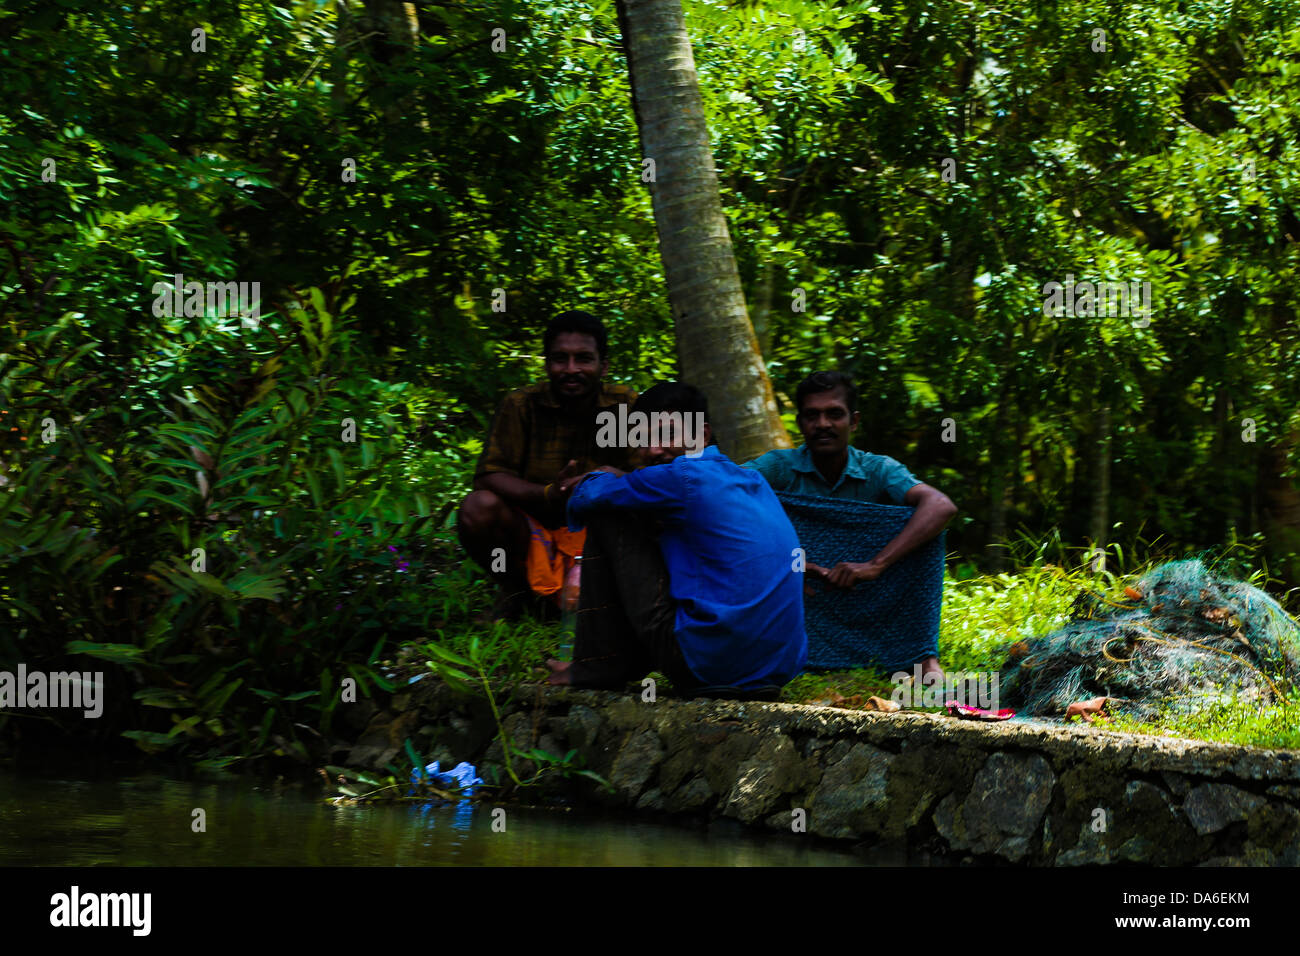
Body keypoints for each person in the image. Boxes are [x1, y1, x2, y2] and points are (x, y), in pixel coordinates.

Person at [545, 382, 807, 694]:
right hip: (776, 670)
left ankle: (596, 666)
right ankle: (625, 661)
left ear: (703, 435)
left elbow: (589, 496)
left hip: (708, 666)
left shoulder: (682, 476)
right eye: (642, 437)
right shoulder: (752, 480)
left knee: (608, 512)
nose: (653, 450)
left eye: (667, 433)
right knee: (642, 513)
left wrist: (599, 476)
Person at [744, 370, 956, 682]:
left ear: (853, 421)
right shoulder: (777, 467)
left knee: (926, 530)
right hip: (800, 593)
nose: (823, 424)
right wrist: (785, 562)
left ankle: (922, 658)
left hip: (865, 593)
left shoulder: (879, 469)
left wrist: (874, 565)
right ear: (800, 423)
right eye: (812, 416)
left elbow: (941, 506)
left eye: (834, 414)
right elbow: (723, 492)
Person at [456, 310, 636, 619]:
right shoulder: (520, 406)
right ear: (546, 364)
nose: (571, 369)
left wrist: (609, 479)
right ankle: (517, 593)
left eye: (583, 359)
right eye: (559, 359)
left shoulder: (625, 406)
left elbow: (656, 474)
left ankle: (618, 600)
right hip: (534, 529)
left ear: (603, 366)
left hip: (599, 534)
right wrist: (549, 493)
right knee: (478, 508)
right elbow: (489, 476)